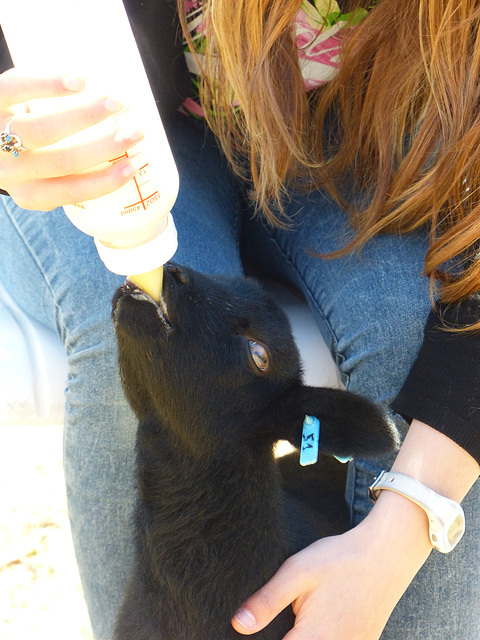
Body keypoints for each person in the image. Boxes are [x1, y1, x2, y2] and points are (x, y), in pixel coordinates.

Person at [0, 1, 479, 639]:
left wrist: (410, 520)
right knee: (141, 349)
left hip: (369, 120)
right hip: (121, 124)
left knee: (410, 321)